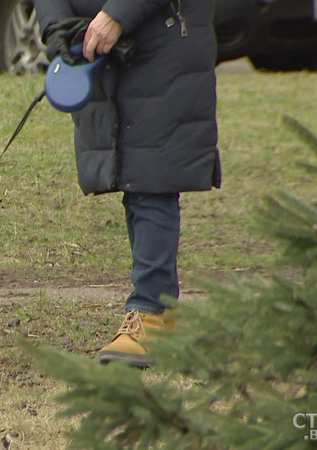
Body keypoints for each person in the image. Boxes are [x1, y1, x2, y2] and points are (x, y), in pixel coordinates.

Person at [33, 0, 221, 366]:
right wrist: (55, 25)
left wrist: (118, 13)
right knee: (133, 173)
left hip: (166, 32)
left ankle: (150, 312)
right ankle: (163, 314)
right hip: (101, 41)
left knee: (153, 175)